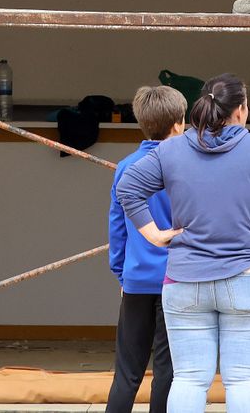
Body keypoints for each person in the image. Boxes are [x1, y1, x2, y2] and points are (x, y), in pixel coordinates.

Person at [115, 74, 250, 413]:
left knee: (189, 379)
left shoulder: (172, 150)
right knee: (242, 380)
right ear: (240, 110)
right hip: (247, 277)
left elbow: (128, 187)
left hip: (184, 282)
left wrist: (153, 234)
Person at [105, 85, 184, 413]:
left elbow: (117, 227)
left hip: (136, 279)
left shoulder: (126, 166)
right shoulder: (186, 167)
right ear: (179, 124)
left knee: (127, 371)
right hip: (177, 280)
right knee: (168, 370)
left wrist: (122, 273)